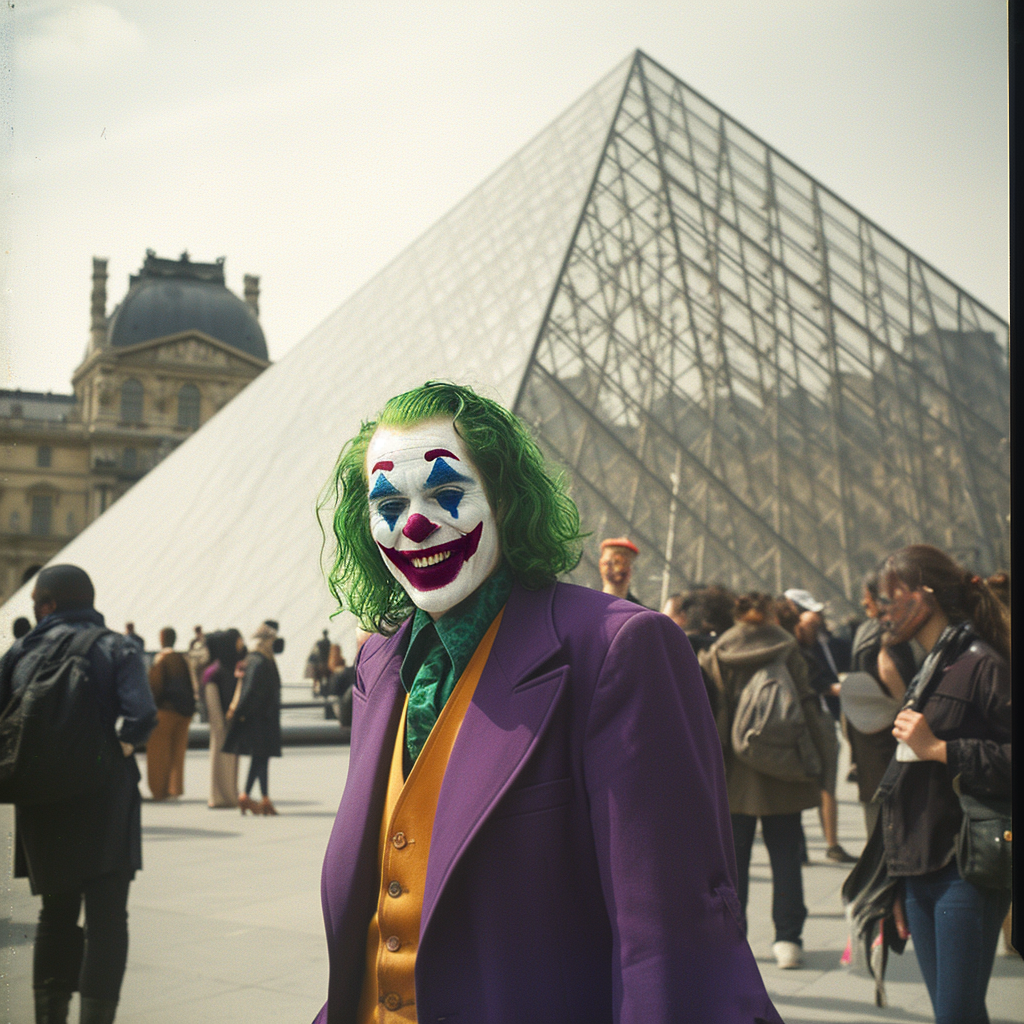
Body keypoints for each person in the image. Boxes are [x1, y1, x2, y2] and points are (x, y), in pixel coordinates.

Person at [314, 382, 781, 1023]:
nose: (414, 523)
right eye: (388, 503)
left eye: (446, 493)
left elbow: (667, 942)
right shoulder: (379, 664)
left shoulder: (619, 650)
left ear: (505, 498)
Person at [0, 564, 157, 1024]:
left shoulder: (19, 651)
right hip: (105, 799)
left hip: (42, 802)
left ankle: (50, 1017)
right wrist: (114, 752)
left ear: (46, 604)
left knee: (55, 915)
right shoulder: (116, 646)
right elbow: (141, 715)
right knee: (108, 921)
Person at [876, 545, 1011, 1024]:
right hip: (919, 868)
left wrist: (941, 749)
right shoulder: (932, 668)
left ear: (925, 597)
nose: (883, 610)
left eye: (893, 597)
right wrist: (894, 880)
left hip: (965, 866)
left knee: (955, 1015)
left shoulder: (983, 664)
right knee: (957, 1014)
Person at [699, 592, 833, 970]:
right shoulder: (787, 648)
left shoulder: (719, 651)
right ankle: (788, 939)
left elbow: (714, 712)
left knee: (733, 862)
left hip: (734, 774)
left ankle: (732, 937)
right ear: (771, 614)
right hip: (783, 770)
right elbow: (805, 706)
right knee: (787, 857)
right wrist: (819, 764)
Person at [843, 572, 919, 837]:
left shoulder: (866, 631)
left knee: (877, 824)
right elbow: (891, 674)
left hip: (867, 741)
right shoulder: (887, 633)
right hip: (888, 741)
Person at [782, 592, 855, 864]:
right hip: (810, 719)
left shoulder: (797, 644)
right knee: (823, 782)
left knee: (818, 782)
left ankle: (825, 843)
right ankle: (829, 843)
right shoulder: (793, 646)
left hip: (807, 719)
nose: (817, 622)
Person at [224, 621, 283, 816]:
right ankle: (252, 797)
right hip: (260, 719)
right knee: (261, 758)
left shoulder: (259, 659)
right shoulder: (259, 661)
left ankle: (255, 797)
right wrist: (241, 713)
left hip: (260, 718)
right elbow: (250, 692)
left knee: (261, 759)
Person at [145, 627, 197, 800]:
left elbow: (155, 687)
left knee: (158, 751)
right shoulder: (183, 659)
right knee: (177, 751)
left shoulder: (161, 659)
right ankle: (175, 788)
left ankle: (159, 790)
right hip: (185, 712)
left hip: (165, 712)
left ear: (162, 639)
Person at [201, 629, 245, 808]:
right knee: (221, 753)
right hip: (222, 721)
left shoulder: (228, 667)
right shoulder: (214, 672)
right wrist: (220, 723)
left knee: (230, 757)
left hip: (230, 720)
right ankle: (220, 796)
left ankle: (229, 794)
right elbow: (213, 702)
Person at [597, 536, 643, 604]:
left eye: (619, 562)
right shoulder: (588, 606)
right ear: (601, 564)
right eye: (608, 563)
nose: (617, 569)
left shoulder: (640, 612)